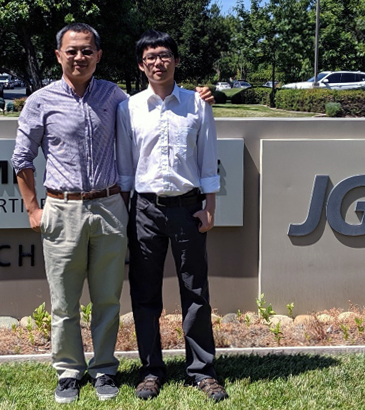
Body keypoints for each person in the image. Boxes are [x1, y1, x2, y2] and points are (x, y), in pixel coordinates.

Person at [11, 23, 213, 404]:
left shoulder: (116, 97)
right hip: (63, 208)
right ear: (58, 55)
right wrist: (34, 209)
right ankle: (69, 371)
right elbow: (21, 158)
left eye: (87, 50)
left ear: (98, 55)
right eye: (71, 51)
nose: (79, 57)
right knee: (64, 302)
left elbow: (160, 105)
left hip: (108, 207)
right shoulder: (41, 100)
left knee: (107, 299)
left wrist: (199, 97)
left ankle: (104, 368)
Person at [116, 29, 227, 402]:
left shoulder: (197, 104)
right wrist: (127, 212)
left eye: (164, 56)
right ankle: (151, 371)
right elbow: (127, 171)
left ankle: (202, 370)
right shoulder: (129, 108)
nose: (157, 63)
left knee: (195, 292)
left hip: (187, 207)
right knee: (145, 294)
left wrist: (210, 206)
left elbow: (207, 158)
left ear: (176, 61)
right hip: (144, 209)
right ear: (141, 65)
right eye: (150, 58)